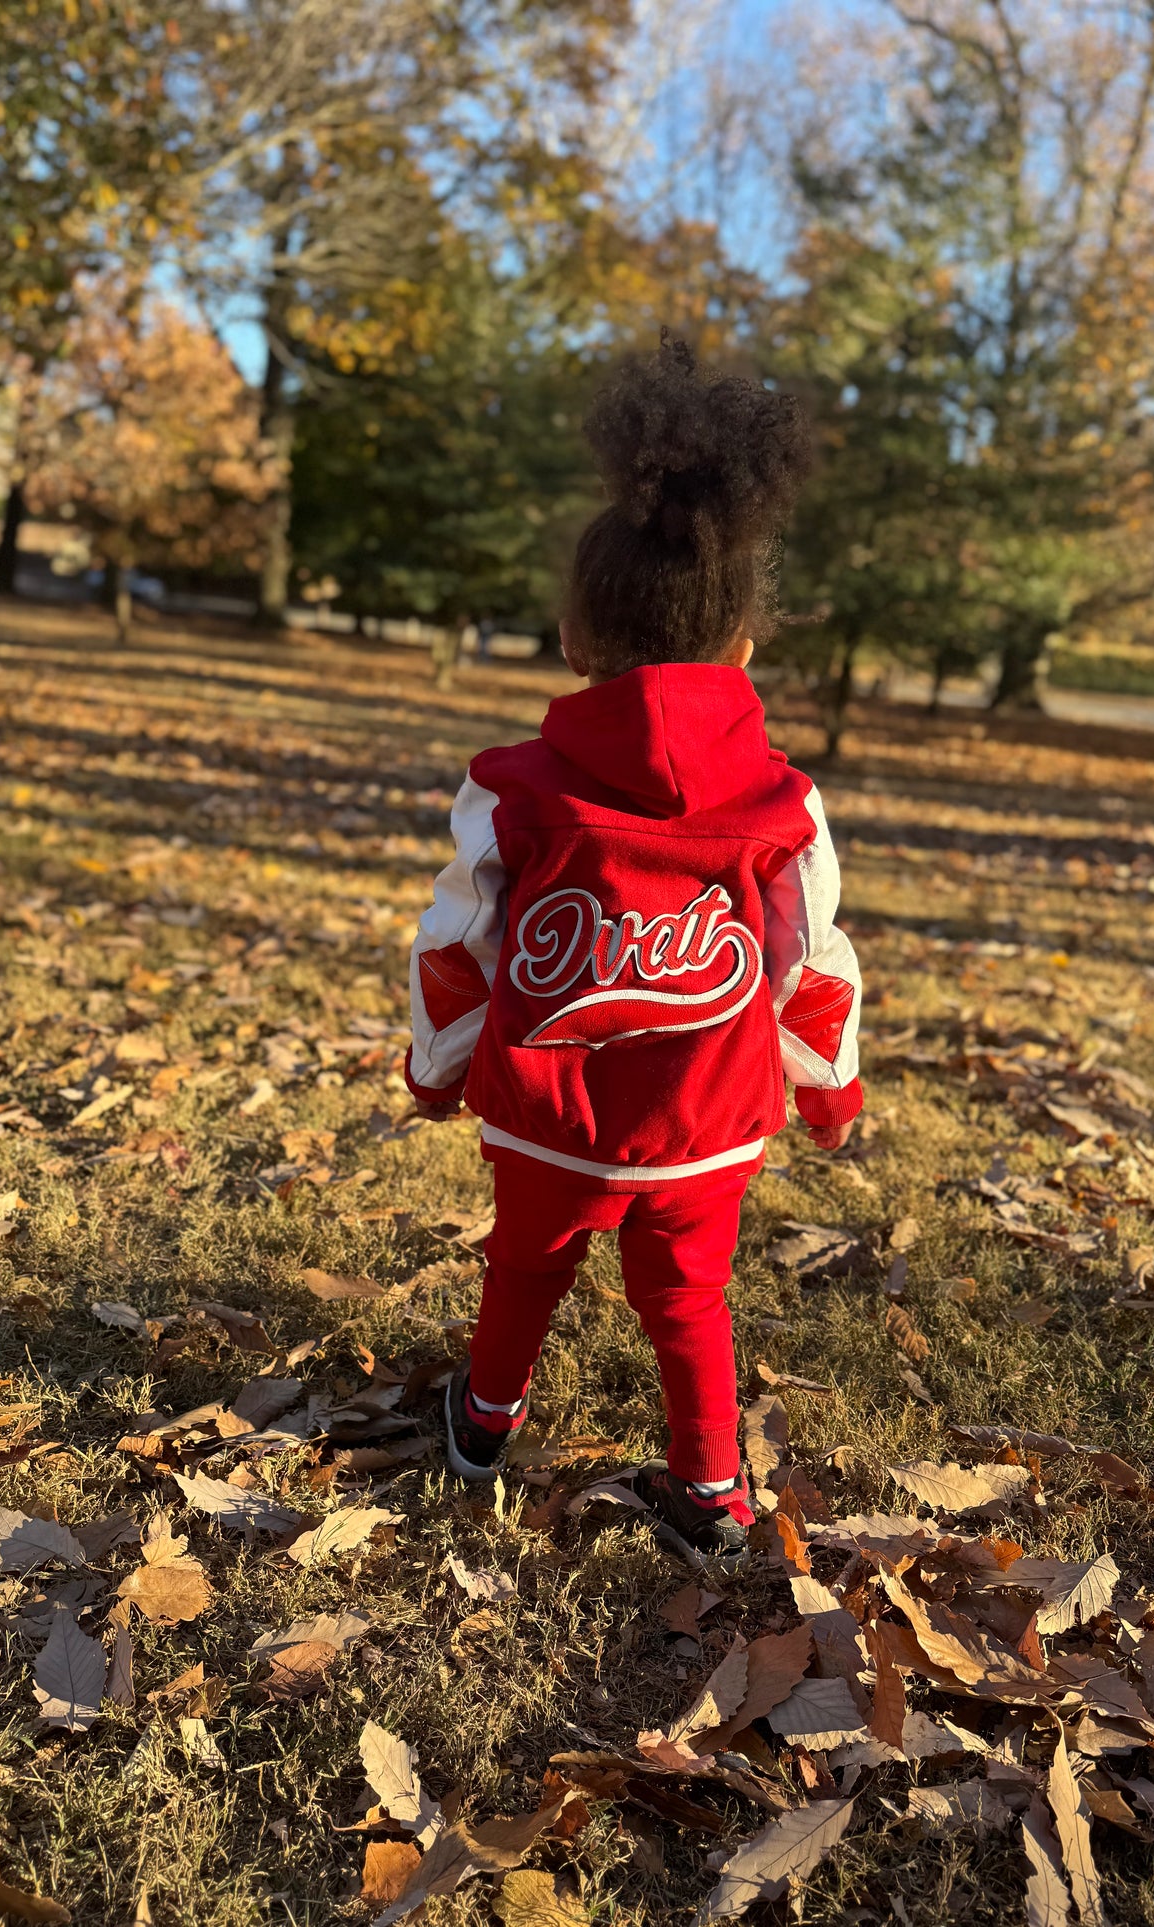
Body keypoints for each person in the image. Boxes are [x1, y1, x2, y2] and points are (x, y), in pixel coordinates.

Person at [404, 335, 863, 1567]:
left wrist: (438, 1069)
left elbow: (454, 945)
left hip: (548, 1108)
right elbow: (808, 960)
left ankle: (483, 1424)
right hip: (706, 1116)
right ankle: (710, 1485)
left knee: (525, 1263)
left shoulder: (509, 792)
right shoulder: (781, 801)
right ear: (743, 650)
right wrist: (826, 1087)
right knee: (685, 1293)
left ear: (569, 639)